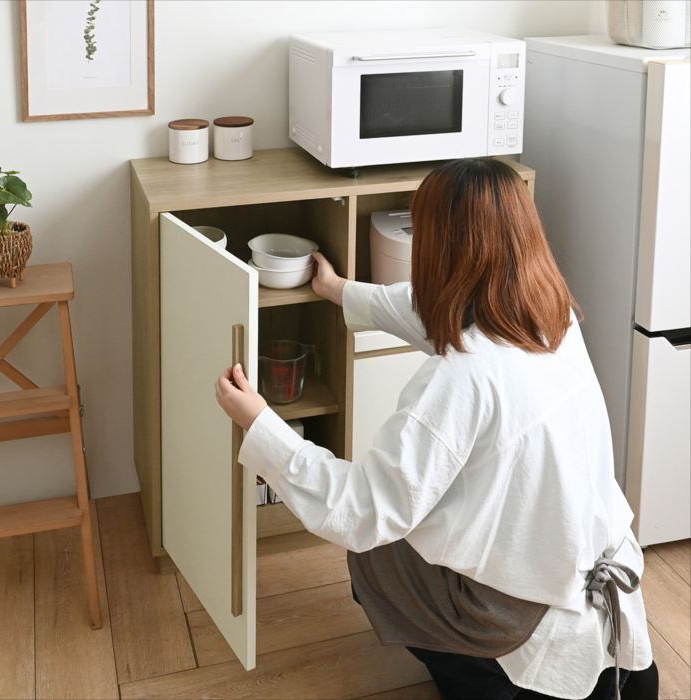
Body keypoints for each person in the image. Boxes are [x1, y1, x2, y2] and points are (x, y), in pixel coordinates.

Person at [215, 158, 658, 700]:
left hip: (512, 613)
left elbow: (363, 510)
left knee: (375, 553)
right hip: (590, 569)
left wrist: (260, 423)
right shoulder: (552, 316)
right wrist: (339, 289)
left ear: (439, 249)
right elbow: (425, 310)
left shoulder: (460, 379)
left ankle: (479, 677)